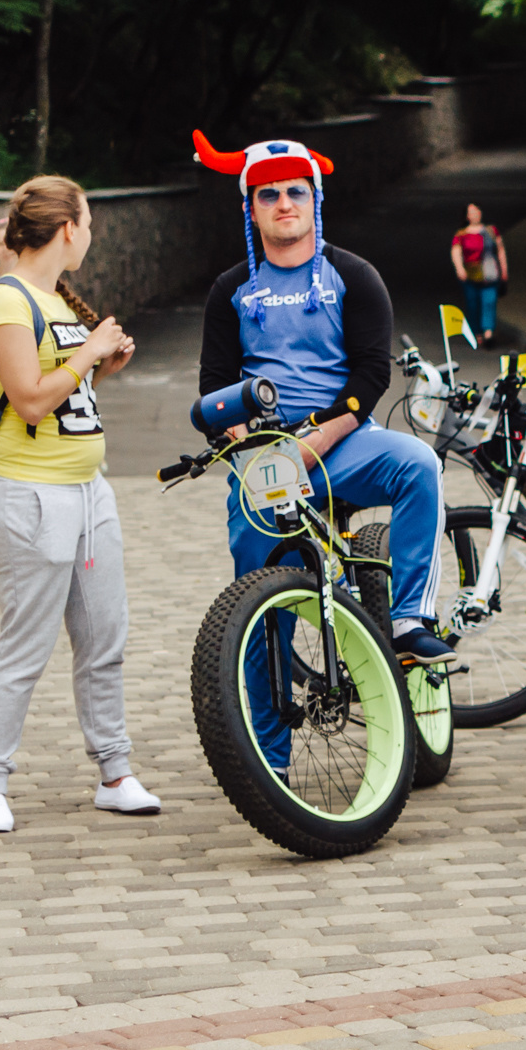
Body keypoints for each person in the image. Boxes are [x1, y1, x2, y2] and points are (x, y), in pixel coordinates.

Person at [193, 132, 452, 664]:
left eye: (296, 191)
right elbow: (214, 387)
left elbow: (371, 374)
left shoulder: (354, 276)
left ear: (316, 199)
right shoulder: (230, 290)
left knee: (419, 463)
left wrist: (314, 442)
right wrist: (251, 450)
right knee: (257, 618)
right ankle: (266, 731)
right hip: (263, 458)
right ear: (251, 208)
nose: (284, 203)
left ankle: (408, 620)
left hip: (342, 441)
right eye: (269, 194)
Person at [0, 176, 154, 834]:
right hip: (27, 497)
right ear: (66, 228)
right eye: (89, 221)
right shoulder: (3, 301)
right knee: (25, 645)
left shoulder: (53, 298)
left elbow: (66, 393)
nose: (93, 233)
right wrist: (89, 353)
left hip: (89, 493)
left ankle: (115, 773)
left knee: (105, 640)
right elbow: (28, 398)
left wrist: (102, 366)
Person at [448, 203, 508, 343]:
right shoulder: (461, 234)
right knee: (473, 304)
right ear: (467, 216)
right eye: (472, 212)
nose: (475, 214)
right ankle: (477, 333)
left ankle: (488, 331)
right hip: (470, 274)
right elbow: (456, 252)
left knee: (489, 301)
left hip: (489, 273)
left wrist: (504, 269)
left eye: (477, 211)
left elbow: (500, 250)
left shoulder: (491, 230)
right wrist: (459, 268)